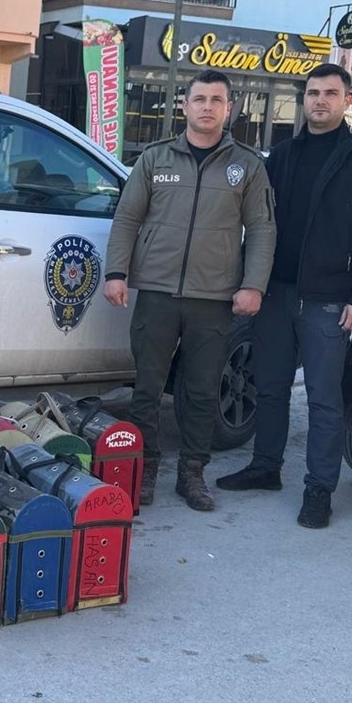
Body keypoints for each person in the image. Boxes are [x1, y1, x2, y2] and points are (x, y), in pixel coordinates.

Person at [215, 63, 352, 528]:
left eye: (330, 93)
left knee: (322, 399)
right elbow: (258, 224)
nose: (320, 101)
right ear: (304, 99)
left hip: (331, 301)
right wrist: (247, 280)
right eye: (313, 93)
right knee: (270, 387)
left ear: (345, 100)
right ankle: (266, 467)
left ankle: (319, 489)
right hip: (276, 293)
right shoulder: (282, 155)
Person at [104, 69, 276, 511]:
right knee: (147, 387)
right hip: (158, 293)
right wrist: (116, 273)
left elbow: (261, 229)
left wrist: (253, 285)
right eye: (199, 99)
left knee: (200, 391)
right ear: (184, 105)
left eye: (216, 100)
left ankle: (192, 473)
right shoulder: (155, 159)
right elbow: (127, 217)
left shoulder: (248, 166)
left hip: (215, 298)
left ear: (229, 108)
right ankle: (143, 471)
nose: (206, 107)